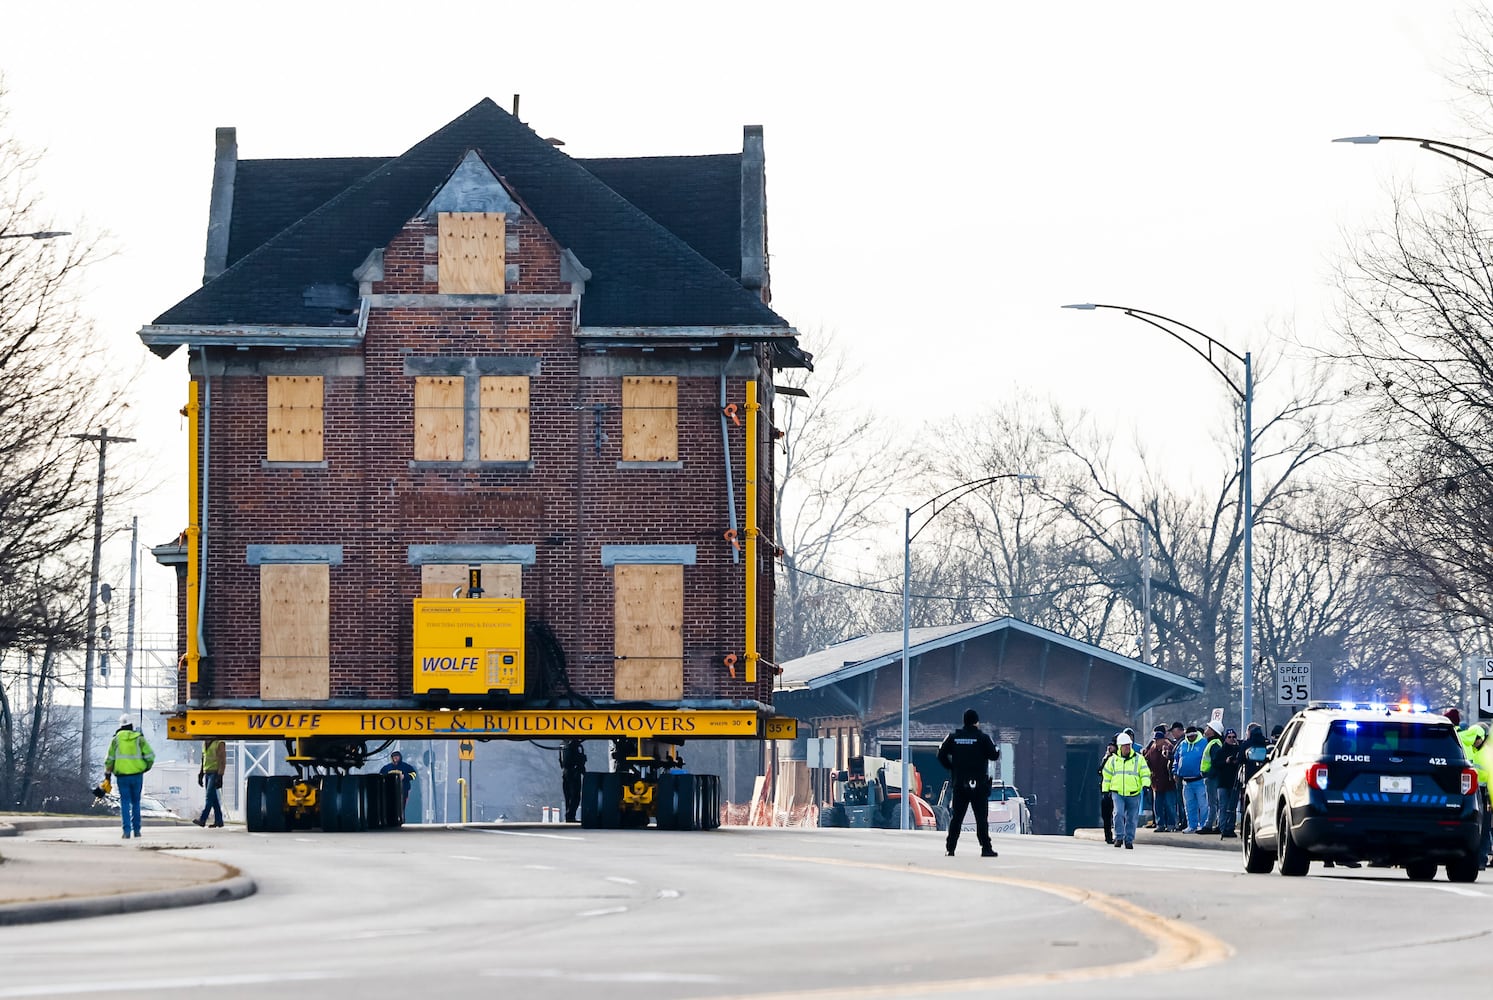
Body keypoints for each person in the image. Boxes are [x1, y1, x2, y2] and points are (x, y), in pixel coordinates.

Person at [937, 708, 1000, 858]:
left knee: (957, 818)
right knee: (981, 819)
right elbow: (995, 755)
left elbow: (941, 754)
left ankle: (950, 848)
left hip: (960, 784)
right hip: (979, 785)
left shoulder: (953, 738)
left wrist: (952, 768)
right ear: (976, 722)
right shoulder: (983, 738)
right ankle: (986, 848)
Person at [104, 714, 155, 840]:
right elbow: (150, 756)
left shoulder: (115, 740)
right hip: (137, 775)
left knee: (125, 802)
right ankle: (137, 830)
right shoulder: (139, 739)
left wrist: (108, 775)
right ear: (132, 726)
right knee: (136, 802)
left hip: (122, 776)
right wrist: (146, 767)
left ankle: (126, 831)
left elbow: (109, 759)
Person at [1102, 733, 1151, 849]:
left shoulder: (1139, 759)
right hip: (1117, 792)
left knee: (1132, 818)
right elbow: (1107, 776)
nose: (1127, 748)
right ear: (1119, 747)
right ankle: (1119, 837)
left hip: (1134, 792)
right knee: (1118, 814)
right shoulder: (1113, 760)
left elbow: (1145, 773)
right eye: (1125, 746)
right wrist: (1105, 791)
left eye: (1128, 745)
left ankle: (1129, 839)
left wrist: (1146, 786)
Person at [1172, 724, 1209, 833]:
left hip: (1200, 780)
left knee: (1203, 805)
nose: (1190, 738)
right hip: (1186, 781)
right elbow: (1176, 759)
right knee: (1189, 805)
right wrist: (1175, 772)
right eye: (1188, 736)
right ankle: (1191, 825)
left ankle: (1203, 825)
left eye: (1192, 735)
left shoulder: (1203, 743)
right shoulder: (1182, 744)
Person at [1210, 728, 1244, 838]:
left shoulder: (1238, 750)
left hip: (1234, 783)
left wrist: (1235, 760)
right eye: (1229, 737)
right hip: (1223, 783)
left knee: (1232, 807)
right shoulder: (1221, 751)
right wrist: (1226, 761)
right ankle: (1222, 827)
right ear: (1225, 738)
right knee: (1223, 806)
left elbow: (1241, 762)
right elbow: (1215, 764)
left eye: (1234, 737)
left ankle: (1230, 828)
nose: (1232, 739)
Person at [1143, 726, 1178, 832]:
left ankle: (1171, 824)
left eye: (1158, 740)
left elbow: (1173, 760)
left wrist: (1169, 757)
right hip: (1156, 782)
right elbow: (1146, 761)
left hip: (1168, 782)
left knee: (1169, 804)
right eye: (1155, 740)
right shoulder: (1152, 749)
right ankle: (1160, 824)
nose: (1156, 742)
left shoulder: (1169, 747)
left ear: (1163, 739)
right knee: (1158, 805)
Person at [1198, 720, 1227, 833]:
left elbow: (1215, 762)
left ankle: (1209, 825)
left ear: (1213, 731)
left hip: (1212, 777)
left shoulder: (1214, 744)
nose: (1206, 729)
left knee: (1212, 802)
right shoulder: (1214, 743)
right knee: (1215, 802)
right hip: (1212, 776)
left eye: (1208, 728)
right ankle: (1216, 824)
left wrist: (1210, 775)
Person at [192, 736, 226, 828]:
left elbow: (222, 761)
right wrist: (201, 774)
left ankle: (203, 819)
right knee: (214, 799)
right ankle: (219, 821)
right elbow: (203, 759)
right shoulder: (204, 743)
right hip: (207, 772)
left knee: (209, 797)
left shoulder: (219, 743)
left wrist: (220, 776)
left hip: (215, 773)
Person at [560, 739, 587, 822]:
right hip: (573, 773)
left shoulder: (564, 746)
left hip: (566, 773)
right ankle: (570, 815)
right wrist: (583, 771)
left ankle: (570, 815)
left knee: (568, 796)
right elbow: (578, 761)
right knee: (575, 796)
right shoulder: (573, 746)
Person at [1098, 739, 1117, 843]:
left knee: (1117, 814)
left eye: (1112, 746)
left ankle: (1118, 835)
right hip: (1105, 790)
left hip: (1115, 790)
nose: (1110, 748)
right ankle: (1108, 837)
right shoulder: (1106, 758)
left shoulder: (1117, 759)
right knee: (1106, 815)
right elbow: (1099, 770)